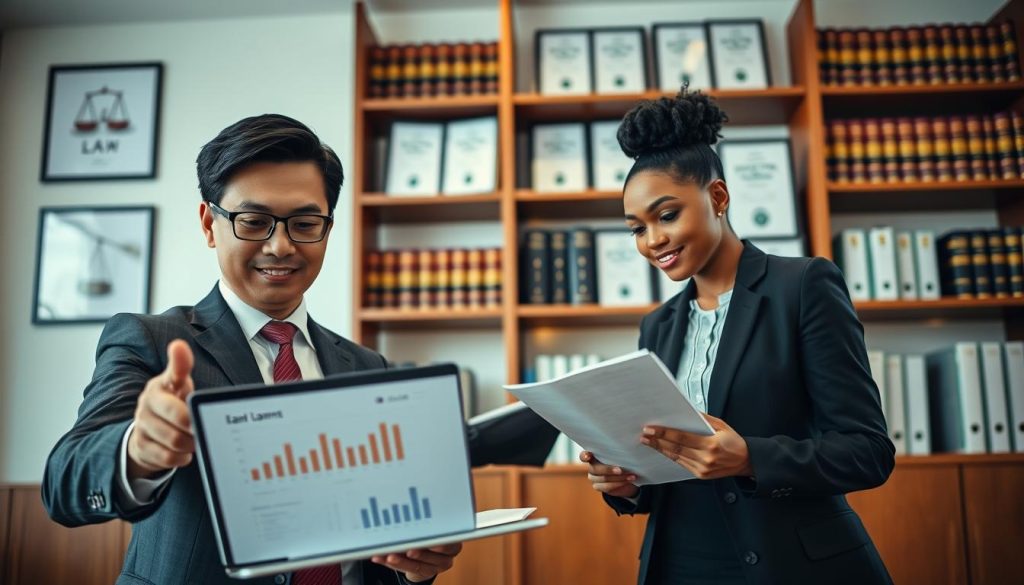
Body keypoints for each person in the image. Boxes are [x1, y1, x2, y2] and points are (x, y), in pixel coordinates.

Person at [42, 114, 461, 585]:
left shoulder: (366, 366)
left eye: (305, 223)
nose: (280, 246)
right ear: (209, 223)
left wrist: (415, 569)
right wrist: (139, 448)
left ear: (327, 227)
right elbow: (64, 484)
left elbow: (381, 546)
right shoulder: (152, 341)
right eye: (254, 221)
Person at [581, 89, 895, 585]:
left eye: (666, 215)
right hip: (678, 564)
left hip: (790, 564)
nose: (653, 241)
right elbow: (666, 465)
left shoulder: (804, 286)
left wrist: (750, 457)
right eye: (636, 229)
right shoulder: (657, 325)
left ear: (718, 197)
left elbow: (868, 451)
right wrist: (626, 485)